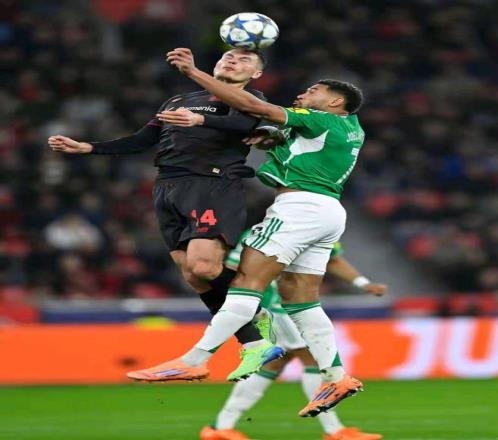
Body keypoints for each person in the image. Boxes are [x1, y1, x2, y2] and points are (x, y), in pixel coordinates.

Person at [129, 47, 367, 417]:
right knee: (299, 298)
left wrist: (194, 73)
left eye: (314, 90)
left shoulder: (321, 119)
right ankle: (336, 376)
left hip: (299, 208)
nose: (303, 93)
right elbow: (291, 139)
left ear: (336, 102)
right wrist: (274, 138)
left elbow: (255, 107)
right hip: (329, 211)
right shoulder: (348, 129)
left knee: (245, 281)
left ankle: (194, 359)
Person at [48, 48, 277, 363]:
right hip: (167, 186)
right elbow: (143, 139)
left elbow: (242, 126)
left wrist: (200, 119)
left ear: (256, 74)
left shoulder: (251, 99)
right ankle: (254, 344)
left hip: (211, 183)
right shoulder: (178, 101)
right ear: (216, 63)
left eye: (244, 60)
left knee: (204, 266)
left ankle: (257, 308)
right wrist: (89, 147)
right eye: (228, 57)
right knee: (193, 276)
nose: (233, 60)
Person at [200, 237, 386, 440]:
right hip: (276, 307)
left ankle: (220, 427)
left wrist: (364, 284)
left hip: (285, 305)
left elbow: (333, 259)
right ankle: (334, 431)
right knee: (314, 359)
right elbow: (234, 268)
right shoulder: (271, 231)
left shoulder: (315, 228)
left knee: (273, 364)